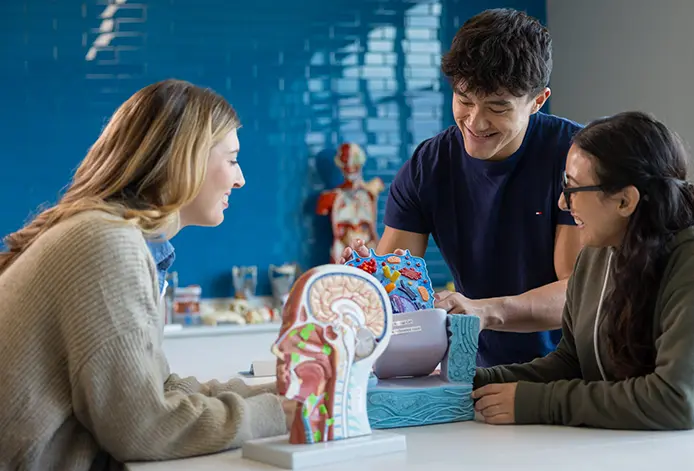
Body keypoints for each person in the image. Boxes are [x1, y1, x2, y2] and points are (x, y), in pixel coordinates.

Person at [0, 79, 292, 470]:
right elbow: (142, 426)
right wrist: (279, 414)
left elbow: (159, 388)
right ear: (186, 159)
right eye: (232, 160)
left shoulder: (108, 232)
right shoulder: (107, 242)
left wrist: (283, 392)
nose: (240, 180)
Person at [470, 111, 694, 442]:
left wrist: (539, 403)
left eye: (572, 189)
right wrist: (473, 383)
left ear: (624, 201)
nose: (562, 202)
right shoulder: (597, 253)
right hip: (629, 448)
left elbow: (676, 401)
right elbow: (573, 363)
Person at [339, 8, 584, 368]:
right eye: (464, 100)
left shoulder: (577, 160)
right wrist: (368, 277)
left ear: (537, 101)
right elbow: (393, 293)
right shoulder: (427, 167)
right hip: (478, 371)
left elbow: (576, 294)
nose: (476, 122)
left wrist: (484, 311)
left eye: (498, 107)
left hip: (572, 371)